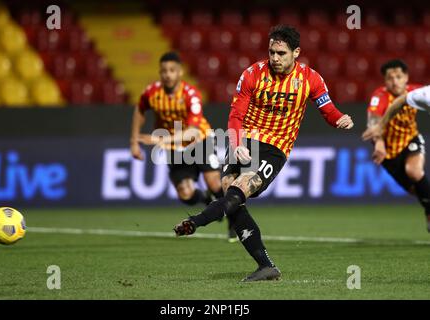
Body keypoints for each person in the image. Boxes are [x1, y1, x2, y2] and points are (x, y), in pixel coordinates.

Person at [173, 25, 354, 282]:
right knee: (229, 190)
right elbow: (236, 114)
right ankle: (266, 266)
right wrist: (236, 143)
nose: (275, 58)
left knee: (238, 191)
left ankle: (197, 221)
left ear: (296, 53)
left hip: (275, 148)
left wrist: (340, 120)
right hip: (245, 142)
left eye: (281, 53)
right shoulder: (252, 74)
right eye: (271, 52)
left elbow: (328, 110)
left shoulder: (311, 79)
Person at [130, 52, 237, 241]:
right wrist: (134, 142)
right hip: (174, 148)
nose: (167, 75)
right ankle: (205, 200)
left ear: (180, 72)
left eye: (172, 70)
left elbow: (193, 131)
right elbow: (140, 109)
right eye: (164, 71)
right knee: (186, 195)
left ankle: (233, 221)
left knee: (215, 183)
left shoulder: (190, 94)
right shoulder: (152, 93)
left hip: (200, 140)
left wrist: (162, 141)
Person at [362, 60, 430, 232]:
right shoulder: (380, 96)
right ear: (385, 81)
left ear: (406, 77)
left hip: (411, 140)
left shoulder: (417, 91)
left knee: (414, 171)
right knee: (416, 190)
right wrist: (378, 143)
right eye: (390, 78)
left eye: (399, 77)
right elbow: (373, 122)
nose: (395, 81)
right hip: (388, 152)